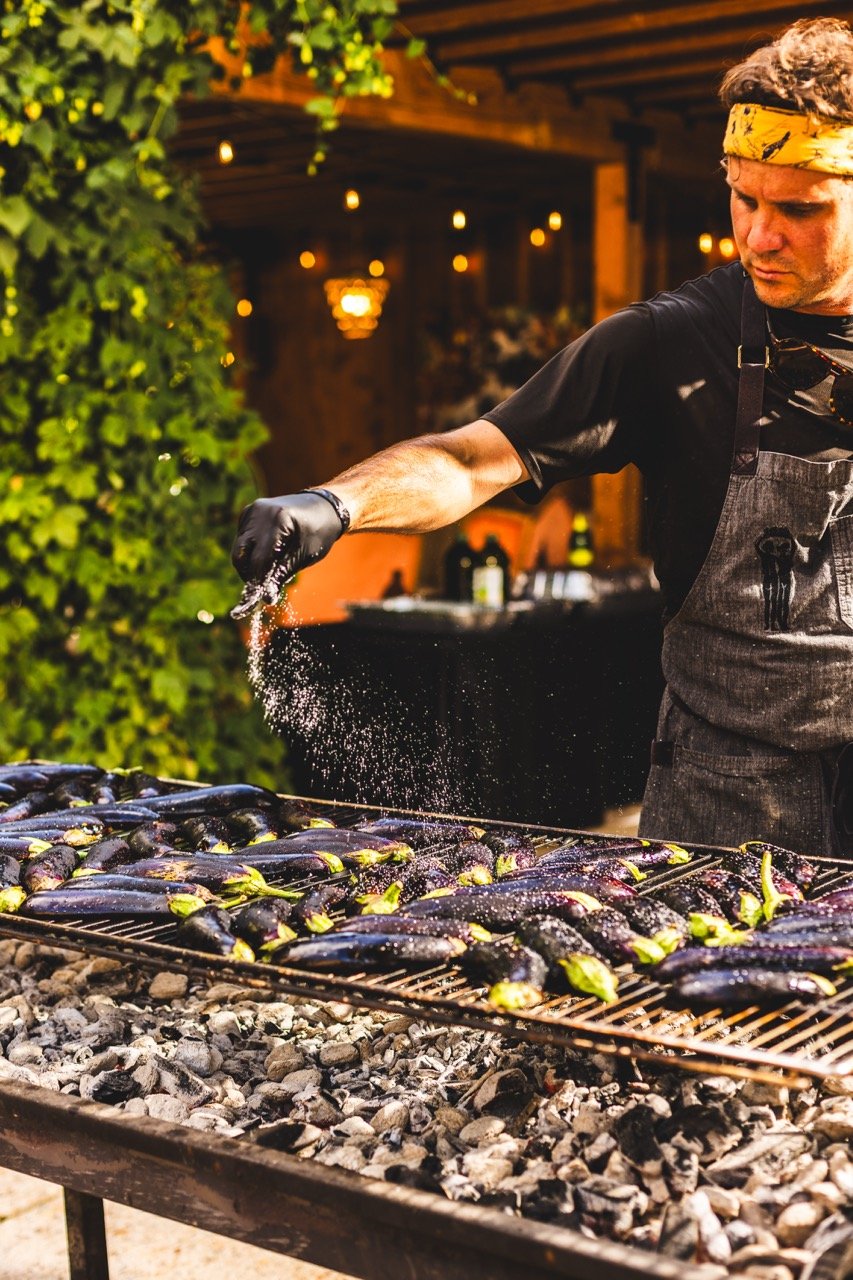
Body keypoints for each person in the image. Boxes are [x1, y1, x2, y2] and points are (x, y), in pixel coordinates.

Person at [232, 17, 853, 857]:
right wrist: (336, 503)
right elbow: (465, 461)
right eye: (743, 198)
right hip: (727, 798)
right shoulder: (669, 342)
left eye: (798, 208)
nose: (757, 235)